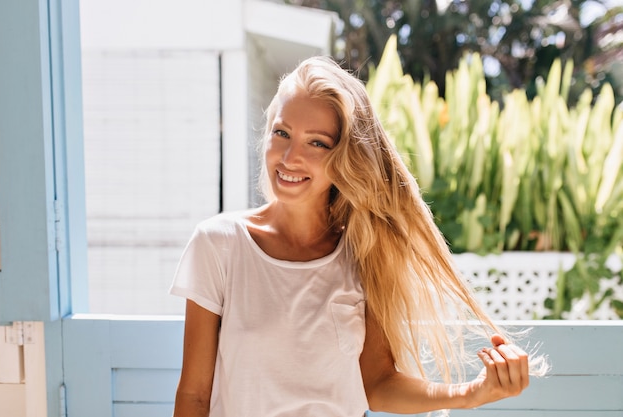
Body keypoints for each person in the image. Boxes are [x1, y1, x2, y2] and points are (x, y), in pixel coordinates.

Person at [169, 56, 547, 417]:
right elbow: (194, 394)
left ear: (345, 156)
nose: (289, 157)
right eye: (281, 133)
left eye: (316, 142)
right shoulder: (218, 244)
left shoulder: (364, 254)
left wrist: (470, 394)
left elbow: (377, 384)